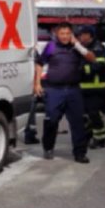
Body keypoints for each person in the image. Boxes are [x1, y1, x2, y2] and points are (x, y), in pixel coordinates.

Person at [34, 21, 96, 163]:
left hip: (74, 90)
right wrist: (37, 83)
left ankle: (80, 153)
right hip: (54, 90)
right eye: (62, 33)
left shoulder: (77, 48)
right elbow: (39, 63)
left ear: (72, 34)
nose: (65, 36)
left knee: (78, 123)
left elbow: (91, 58)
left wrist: (77, 45)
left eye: (68, 33)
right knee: (51, 121)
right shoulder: (51, 46)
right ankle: (48, 147)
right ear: (57, 34)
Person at [78, 26, 105, 149]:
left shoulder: (99, 48)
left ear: (90, 35)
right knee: (85, 115)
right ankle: (88, 135)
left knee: (94, 113)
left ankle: (100, 138)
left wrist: (83, 69)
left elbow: (99, 65)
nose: (82, 37)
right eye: (81, 35)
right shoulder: (81, 48)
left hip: (97, 88)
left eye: (85, 34)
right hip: (83, 88)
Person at [23, 47, 42, 145]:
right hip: (30, 85)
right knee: (31, 111)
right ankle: (29, 135)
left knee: (31, 111)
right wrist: (36, 84)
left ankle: (30, 134)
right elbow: (37, 68)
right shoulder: (32, 50)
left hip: (26, 84)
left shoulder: (30, 50)